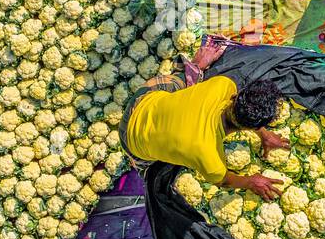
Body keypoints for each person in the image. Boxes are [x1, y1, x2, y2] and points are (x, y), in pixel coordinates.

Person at [121, 42, 290, 199]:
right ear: (250, 127)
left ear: (234, 96)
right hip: (129, 140)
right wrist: (251, 182)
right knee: (151, 169)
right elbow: (224, 181)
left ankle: (196, 67)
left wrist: (264, 135)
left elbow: (242, 108)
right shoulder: (210, 160)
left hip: (144, 98)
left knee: (185, 82)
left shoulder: (222, 85)